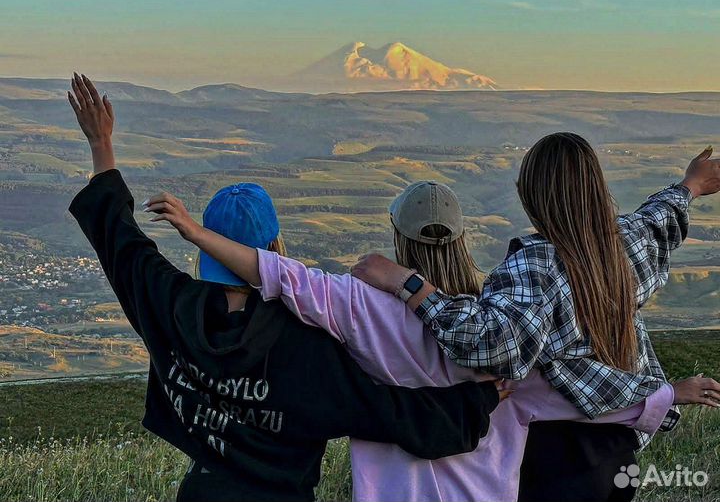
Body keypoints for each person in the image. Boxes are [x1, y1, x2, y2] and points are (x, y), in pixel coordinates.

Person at [66, 73, 503, 502]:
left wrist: (101, 145)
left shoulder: (171, 306)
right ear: (274, 247)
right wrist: (479, 399)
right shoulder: (303, 346)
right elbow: (391, 414)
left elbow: (120, 242)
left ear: (208, 252)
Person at [146, 176, 718, 502]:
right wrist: (663, 397)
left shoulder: (361, 309)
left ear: (397, 237)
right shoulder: (502, 325)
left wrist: (196, 233)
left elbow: (287, 280)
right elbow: (568, 395)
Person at [349, 133, 720, 502]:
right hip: (618, 451)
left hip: (556, 457)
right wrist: (691, 185)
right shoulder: (621, 245)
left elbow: (493, 345)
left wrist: (409, 284)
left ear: (530, 194)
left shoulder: (536, 265)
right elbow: (656, 223)